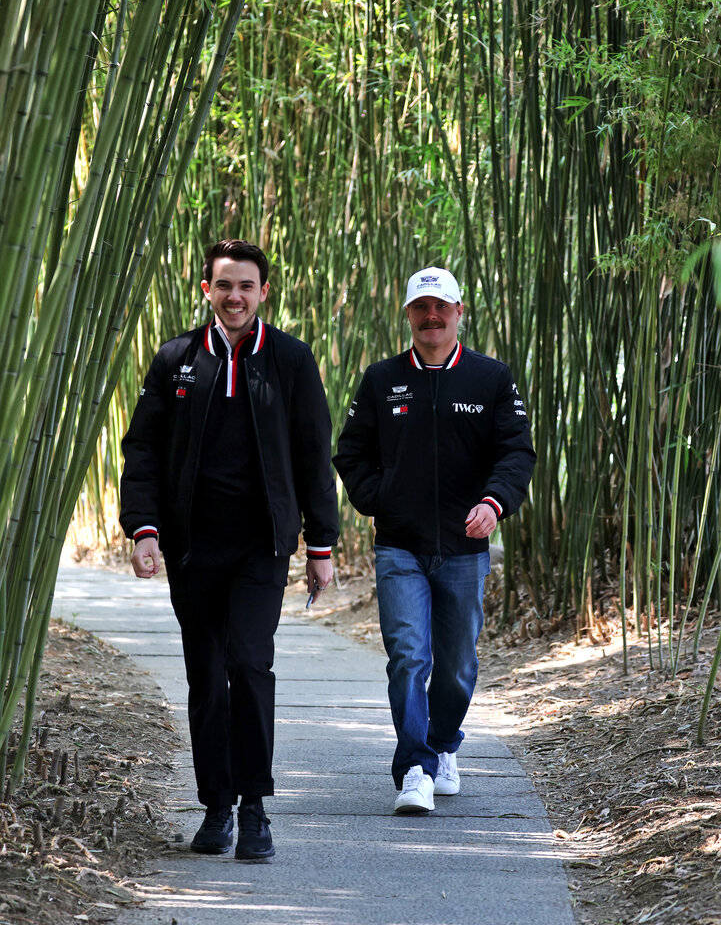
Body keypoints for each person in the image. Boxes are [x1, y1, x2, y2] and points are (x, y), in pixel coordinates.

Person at [120, 239, 338, 859]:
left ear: (263, 292)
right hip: (193, 550)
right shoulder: (177, 359)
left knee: (249, 664)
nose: (235, 296)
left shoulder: (291, 359)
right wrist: (144, 529)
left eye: (246, 286)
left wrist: (321, 544)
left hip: (260, 549)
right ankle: (216, 807)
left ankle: (255, 808)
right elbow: (143, 450)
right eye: (224, 285)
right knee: (206, 675)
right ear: (207, 290)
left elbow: (313, 453)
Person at [333, 266, 535, 815]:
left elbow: (516, 452)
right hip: (400, 546)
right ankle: (415, 769)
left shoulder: (491, 378)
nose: (431, 316)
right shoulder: (382, 379)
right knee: (408, 657)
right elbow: (350, 453)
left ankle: (443, 744)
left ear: (459, 312)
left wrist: (493, 502)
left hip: (465, 549)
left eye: (441, 306)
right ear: (408, 315)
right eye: (421, 307)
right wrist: (382, 499)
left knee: (457, 667)